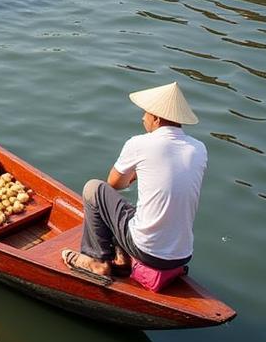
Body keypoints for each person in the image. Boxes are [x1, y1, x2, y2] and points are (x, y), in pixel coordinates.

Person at [62, 81, 206, 284]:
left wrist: (134, 173)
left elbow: (114, 183)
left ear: (156, 118)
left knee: (94, 188)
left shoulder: (139, 143)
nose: (142, 118)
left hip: (147, 250)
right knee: (132, 210)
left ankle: (96, 261)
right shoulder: (199, 149)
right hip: (182, 255)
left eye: (145, 113)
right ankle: (122, 259)